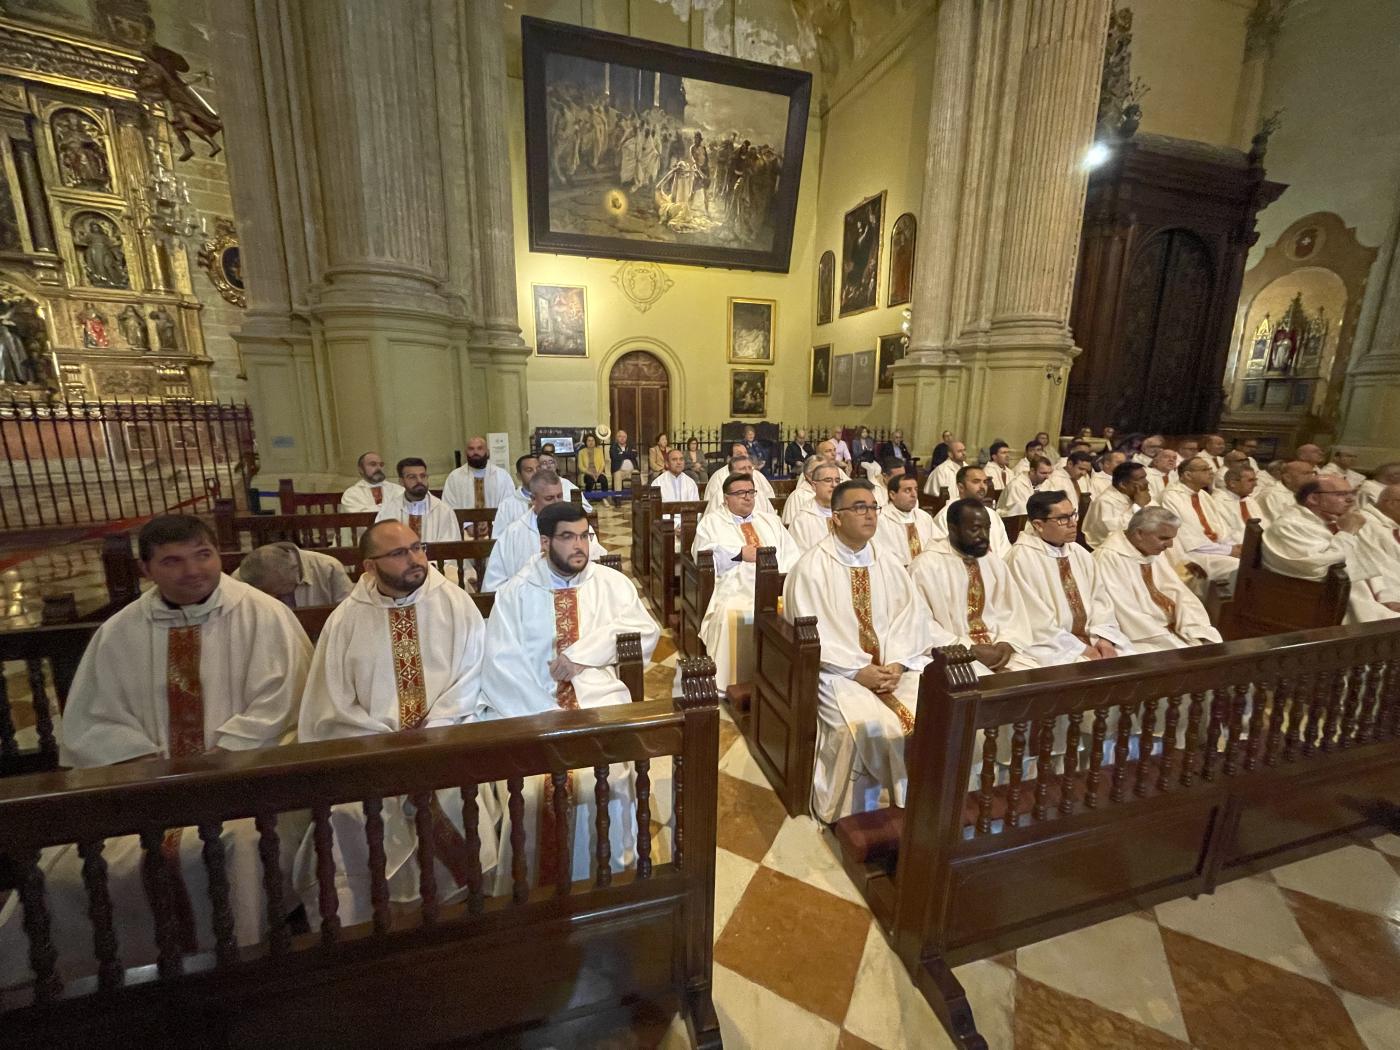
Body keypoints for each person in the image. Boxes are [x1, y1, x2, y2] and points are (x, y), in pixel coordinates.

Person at [5, 516, 311, 984]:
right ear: (147, 569)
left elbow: (283, 703)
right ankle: (89, 981)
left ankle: (242, 968)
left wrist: (219, 755)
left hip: (244, 778)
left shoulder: (264, 615)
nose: (192, 570)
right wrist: (142, 760)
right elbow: (95, 719)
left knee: (237, 848)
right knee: (66, 869)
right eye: (172, 561)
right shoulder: (119, 631)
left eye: (202, 555)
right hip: (141, 784)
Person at [295, 520, 495, 925]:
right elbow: (331, 704)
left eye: (418, 548)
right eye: (400, 553)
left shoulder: (455, 603)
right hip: (371, 751)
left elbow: (473, 675)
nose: (416, 559)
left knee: (458, 793)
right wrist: (383, 743)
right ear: (370, 566)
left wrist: (436, 728)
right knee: (349, 812)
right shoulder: (346, 621)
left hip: (447, 738)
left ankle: (464, 906)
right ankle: (369, 915)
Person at [480, 502, 663, 888]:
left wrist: (582, 656)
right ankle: (532, 887)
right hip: (532, 707)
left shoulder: (610, 583)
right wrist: (548, 714)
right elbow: (499, 666)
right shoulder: (515, 592)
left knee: (613, 774)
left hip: (598, 701)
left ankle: (610, 874)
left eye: (584, 535)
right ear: (545, 541)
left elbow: (645, 631)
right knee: (529, 790)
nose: (579, 545)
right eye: (568, 537)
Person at [782, 479, 934, 821]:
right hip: (834, 672)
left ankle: (924, 802)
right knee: (865, 725)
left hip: (895, 669)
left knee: (935, 707)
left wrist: (895, 662)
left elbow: (910, 615)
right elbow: (810, 633)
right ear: (836, 517)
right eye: (859, 507)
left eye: (873, 507)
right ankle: (858, 815)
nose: (869, 515)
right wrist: (857, 670)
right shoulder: (811, 567)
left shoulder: (890, 562)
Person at [693, 472, 800, 689]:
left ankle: (783, 679)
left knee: (801, 611)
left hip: (777, 584)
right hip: (734, 583)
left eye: (751, 492)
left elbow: (791, 553)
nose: (747, 497)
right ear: (726, 498)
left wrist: (782, 578)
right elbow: (701, 553)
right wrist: (739, 554)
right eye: (740, 493)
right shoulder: (711, 522)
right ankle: (734, 681)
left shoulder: (770, 521)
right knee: (732, 614)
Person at [910, 499, 1037, 676]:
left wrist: (1007, 642)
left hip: (999, 649)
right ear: (952, 529)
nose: (984, 535)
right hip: (953, 654)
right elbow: (920, 623)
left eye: (987, 528)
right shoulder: (926, 566)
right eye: (975, 529)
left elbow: (1012, 612)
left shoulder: (993, 562)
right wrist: (968, 648)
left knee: (1037, 678)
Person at [1005, 491, 1133, 666]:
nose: (1073, 523)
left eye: (1073, 514)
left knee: (1130, 658)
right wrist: (1082, 649)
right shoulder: (1020, 558)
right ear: (1038, 525)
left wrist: (1104, 639)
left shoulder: (1079, 552)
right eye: (1063, 519)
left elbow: (1100, 600)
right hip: (1051, 645)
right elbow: (1035, 619)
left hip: (1093, 638)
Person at [1262, 476, 1399, 623]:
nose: (1351, 500)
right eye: (1341, 494)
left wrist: (1386, 596)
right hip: (1317, 603)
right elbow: (1321, 569)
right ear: (1314, 499)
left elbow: (1368, 563)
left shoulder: (1333, 522)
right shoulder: (1289, 527)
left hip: (1361, 600)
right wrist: (1348, 532)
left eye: (1352, 493)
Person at [1093, 506, 1223, 651]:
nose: (1170, 545)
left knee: (1212, 645)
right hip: (1141, 637)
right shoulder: (1109, 558)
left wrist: (1196, 628)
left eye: (1172, 539)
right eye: (1164, 538)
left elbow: (1179, 593)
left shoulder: (1150, 550)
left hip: (1171, 629)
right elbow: (1126, 612)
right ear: (1139, 534)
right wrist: (1169, 639)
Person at [482, 470, 605, 591]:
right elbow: (495, 585)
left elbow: (597, 563)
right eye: (549, 498)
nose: (557, 503)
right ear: (533, 499)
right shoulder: (513, 534)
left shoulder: (577, 525)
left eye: (559, 496)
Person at [1154, 457, 1240, 589]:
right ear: (1188, 475)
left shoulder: (1203, 495)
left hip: (1213, 548)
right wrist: (1228, 550)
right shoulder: (1171, 496)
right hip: (1191, 553)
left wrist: (1233, 546)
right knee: (1237, 567)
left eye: (1211, 469)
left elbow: (1219, 526)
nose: (1211, 473)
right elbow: (1188, 539)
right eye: (1205, 469)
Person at [236, 541, 353, 607]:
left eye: (280, 589)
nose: (275, 596)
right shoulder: (239, 579)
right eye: (268, 592)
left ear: (295, 570)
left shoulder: (328, 567)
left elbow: (348, 612)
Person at [930, 465, 1011, 556]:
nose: (982, 486)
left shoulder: (992, 515)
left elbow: (1006, 551)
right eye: (976, 482)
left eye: (985, 482)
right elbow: (942, 552)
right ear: (961, 487)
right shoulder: (946, 515)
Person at [375, 457, 460, 541]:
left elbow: (450, 547)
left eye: (423, 476)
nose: (419, 481)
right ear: (401, 481)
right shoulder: (388, 510)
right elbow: (382, 543)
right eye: (412, 477)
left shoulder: (444, 510)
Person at [441, 435, 515, 519]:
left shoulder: (502, 476)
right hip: (463, 529)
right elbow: (448, 507)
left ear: (487, 452)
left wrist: (493, 526)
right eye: (471, 449)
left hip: (496, 528)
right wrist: (467, 525)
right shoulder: (454, 477)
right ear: (466, 452)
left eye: (480, 448)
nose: (475, 452)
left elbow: (509, 505)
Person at [1082, 460, 1152, 548]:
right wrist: (1138, 506)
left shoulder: (1137, 494)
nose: (1146, 482)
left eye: (1145, 477)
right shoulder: (1105, 501)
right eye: (1140, 479)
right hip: (1108, 549)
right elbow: (1115, 533)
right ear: (1122, 484)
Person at [874, 472, 936, 569]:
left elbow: (937, 546)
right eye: (907, 490)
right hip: (895, 575)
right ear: (892, 495)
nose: (914, 494)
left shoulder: (924, 517)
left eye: (915, 489)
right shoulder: (880, 520)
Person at [1357, 483, 1400, 612]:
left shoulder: (1389, 522)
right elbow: (1371, 562)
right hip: (1385, 597)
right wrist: (1387, 595)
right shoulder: (1364, 524)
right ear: (1392, 504)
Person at [788, 461, 842, 550]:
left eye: (837, 481)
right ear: (814, 485)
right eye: (828, 480)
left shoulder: (848, 513)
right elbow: (799, 559)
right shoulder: (802, 520)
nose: (834, 485)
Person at [705, 443, 776, 505]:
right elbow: (710, 504)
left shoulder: (758, 475)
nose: (744, 456)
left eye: (745, 453)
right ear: (729, 459)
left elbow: (771, 499)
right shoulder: (718, 477)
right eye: (739, 454)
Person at [1216, 463, 1269, 536]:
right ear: (1232, 483)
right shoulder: (1218, 502)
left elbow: (1264, 523)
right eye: (1250, 480)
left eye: (1255, 480)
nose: (1255, 484)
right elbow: (1225, 534)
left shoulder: (1248, 499)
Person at [493, 453, 539, 532]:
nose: (536, 473)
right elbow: (499, 537)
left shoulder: (551, 500)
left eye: (538, 469)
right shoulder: (507, 505)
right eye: (529, 470)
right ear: (519, 476)